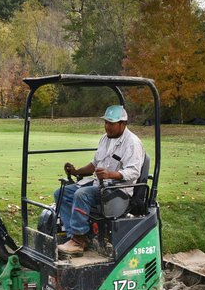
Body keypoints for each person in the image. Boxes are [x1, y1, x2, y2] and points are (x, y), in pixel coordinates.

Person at [55, 105, 145, 255]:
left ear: (123, 124)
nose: (107, 127)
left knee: (82, 194)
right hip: (101, 185)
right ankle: (75, 236)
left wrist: (110, 174)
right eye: (106, 123)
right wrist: (77, 171)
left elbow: (133, 171)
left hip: (118, 190)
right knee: (61, 193)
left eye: (111, 123)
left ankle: (78, 240)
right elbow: (95, 164)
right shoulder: (105, 139)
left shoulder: (132, 143)